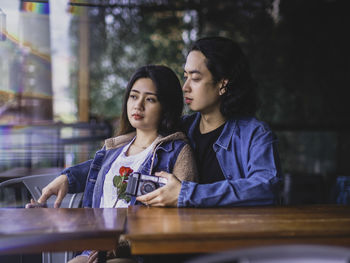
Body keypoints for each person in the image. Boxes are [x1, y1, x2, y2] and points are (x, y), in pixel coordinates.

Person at [27, 65, 198, 263]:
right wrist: (63, 183)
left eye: (150, 99)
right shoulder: (113, 151)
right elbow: (94, 202)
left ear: (166, 107)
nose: (138, 105)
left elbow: (181, 218)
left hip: (138, 253)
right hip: (93, 248)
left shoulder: (177, 152)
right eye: (134, 96)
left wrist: (120, 246)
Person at [137, 36, 281, 207]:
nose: (185, 87)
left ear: (222, 84)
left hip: (231, 231)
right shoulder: (178, 129)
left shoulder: (254, 134)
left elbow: (267, 188)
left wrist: (187, 194)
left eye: (195, 78)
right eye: (185, 77)